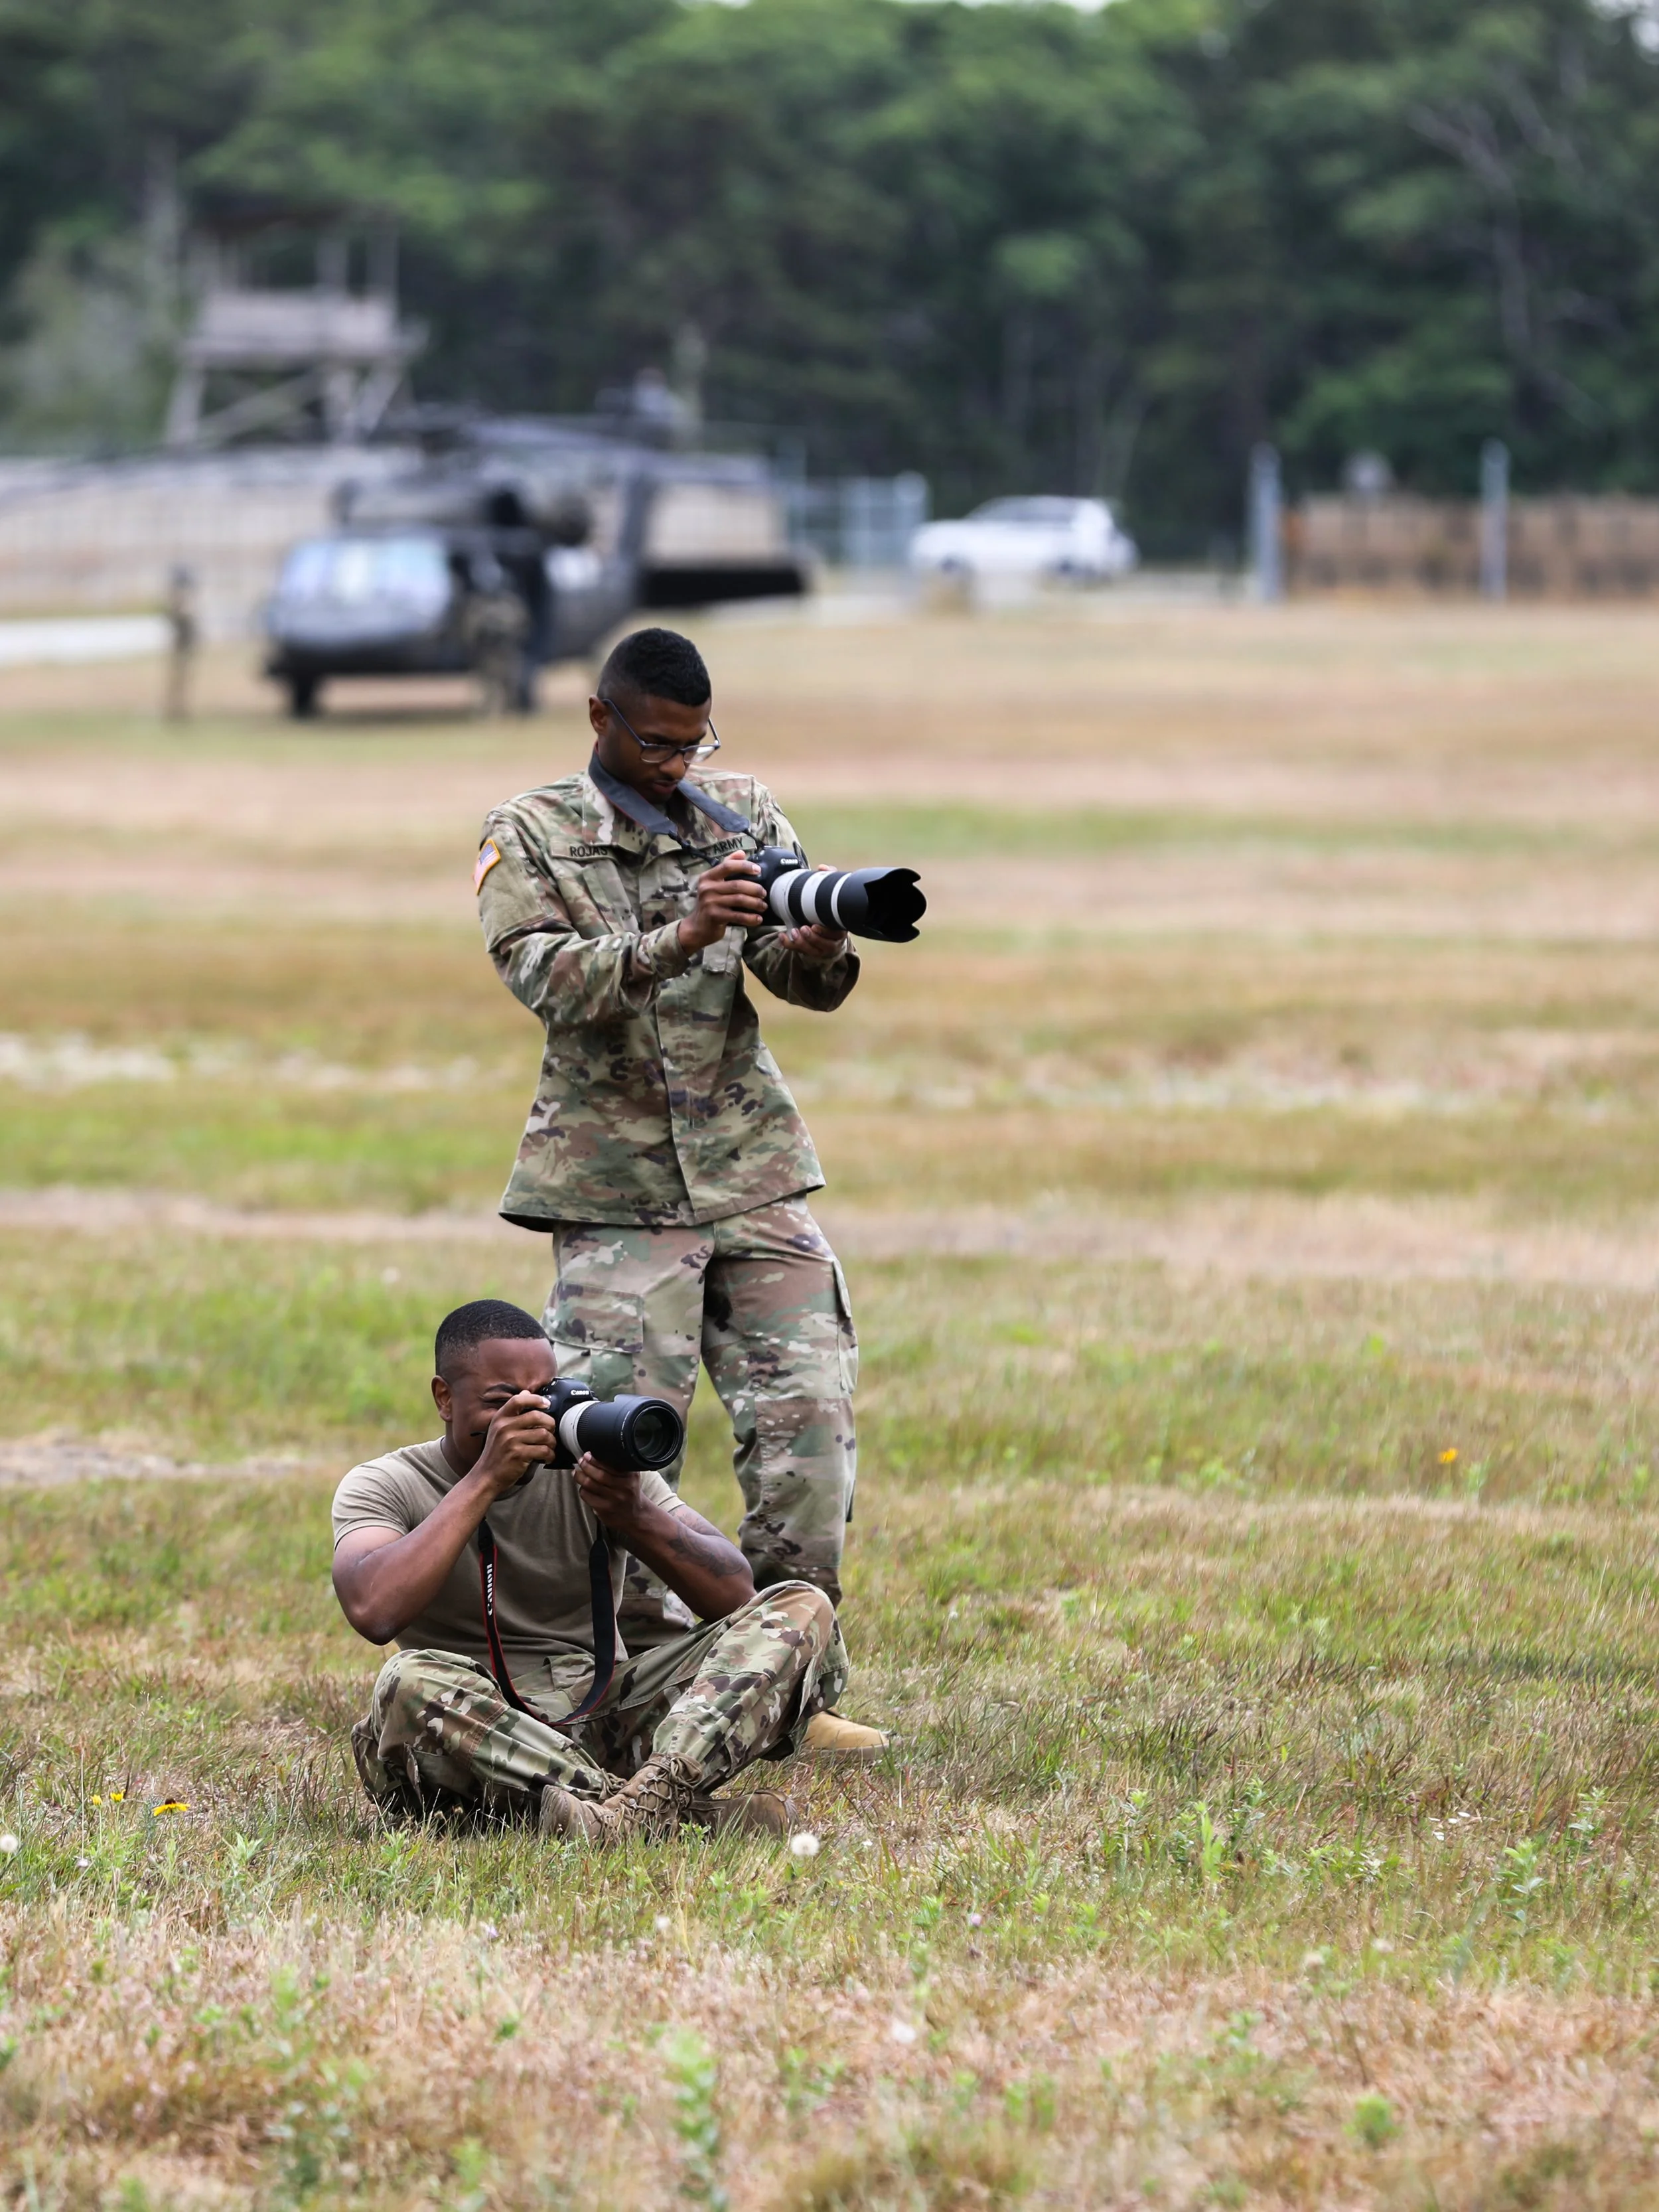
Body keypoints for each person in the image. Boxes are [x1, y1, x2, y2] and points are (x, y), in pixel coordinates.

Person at [473, 626, 882, 1755]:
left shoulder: (737, 809)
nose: (675, 765)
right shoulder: (532, 833)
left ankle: (799, 1687)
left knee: (809, 1432)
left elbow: (797, 981)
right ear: (600, 718)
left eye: (694, 745)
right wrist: (675, 933)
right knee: (618, 1455)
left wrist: (818, 938)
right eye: (657, 743)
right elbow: (544, 976)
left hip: (753, 1171)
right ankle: (633, 1690)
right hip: (613, 1190)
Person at [333, 1299, 848, 1844]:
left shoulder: (593, 1467)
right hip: (479, 1732)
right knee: (405, 1682)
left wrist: (635, 1516)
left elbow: (734, 1594)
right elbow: (374, 1609)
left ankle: (648, 1797)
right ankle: (678, 1819)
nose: (530, 1418)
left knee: (800, 1603)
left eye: (545, 1395)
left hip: (605, 1709)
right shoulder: (384, 1482)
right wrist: (484, 1480)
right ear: (444, 1397)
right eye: (502, 1402)